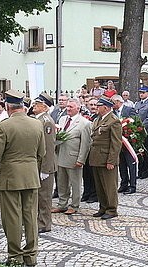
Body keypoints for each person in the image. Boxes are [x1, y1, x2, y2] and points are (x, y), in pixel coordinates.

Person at [0, 90, 45, 267]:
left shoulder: (4, 126)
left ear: (8, 107)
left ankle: (15, 256)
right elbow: (42, 153)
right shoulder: (36, 124)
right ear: (23, 106)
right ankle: (31, 256)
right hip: (30, 176)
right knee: (30, 216)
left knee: (12, 217)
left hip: (10, 177)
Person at [52, 99, 91, 214]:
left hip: (74, 158)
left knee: (75, 183)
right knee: (61, 182)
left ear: (78, 108)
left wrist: (81, 159)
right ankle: (62, 204)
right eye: (67, 106)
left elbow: (86, 144)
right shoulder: (63, 119)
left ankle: (74, 205)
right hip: (61, 155)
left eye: (71, 107)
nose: (68, 109)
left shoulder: (84, 123)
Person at [89, 97, 122, 220]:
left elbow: (116, 143)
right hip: (97, 157)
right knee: (100, 185)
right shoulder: (98, 119)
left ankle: (112, 209)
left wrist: (111, 161)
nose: (96, 108)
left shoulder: (114, 121)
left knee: (109, 185)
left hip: (106, 158)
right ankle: (103, 207)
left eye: (99, 106)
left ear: (106, 107)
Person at [32, 92, 56, 234]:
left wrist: (45, 169)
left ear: (45, 107)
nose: (34, 106)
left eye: (38, 104)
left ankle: (44, 223)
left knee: (44, 196)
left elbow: (48, 146)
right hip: (37, 163)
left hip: (44, 165)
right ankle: (38, 220)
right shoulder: (38, 119)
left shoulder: (46, 121)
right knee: (37, 195)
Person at [112, 94, 138, 194]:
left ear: (119, 102)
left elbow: (135, 123)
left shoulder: (129, 109)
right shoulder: (113, 113)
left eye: (113, 103)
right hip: (118, 142)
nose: (112, 105)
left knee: (131, 164)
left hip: (128, 142)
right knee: (121, 164)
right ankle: (124, 184)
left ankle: (132, 185)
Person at [134, 86, 148, 179]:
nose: (141, 94)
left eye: (143, 92)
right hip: (137, 131)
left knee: (146, 152)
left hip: (146, 131)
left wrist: (141, 127)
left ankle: (145, 171)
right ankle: (140, 170)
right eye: (140, 92)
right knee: (139, 152)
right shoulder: (137, 104)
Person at [50, 93, 68, 199]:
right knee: (56, 168)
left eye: (63, 100)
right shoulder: (55, 112)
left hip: (63, 142)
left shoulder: (68, 112)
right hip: (54, 142)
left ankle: (64, 190)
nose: (61, 102)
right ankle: (57, 189)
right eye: (60, 100)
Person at [81, 98, 98, 203]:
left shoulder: (98, 118)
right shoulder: (85, 117)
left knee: (93, 173)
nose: (93, 106)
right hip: (85, 148)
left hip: (94, 148)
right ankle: (86, 192)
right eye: (90, 104)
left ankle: (94, 194)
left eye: (95, 104)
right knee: (85, 172)